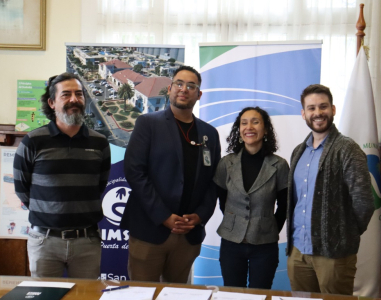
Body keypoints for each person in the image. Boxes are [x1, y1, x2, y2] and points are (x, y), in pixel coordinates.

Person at [120, 65, 221, 283]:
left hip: (188, 234)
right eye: (179, 83)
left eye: (191, 86)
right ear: (170, 89)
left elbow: (214, 180)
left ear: (199, 94)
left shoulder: (209, 134)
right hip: (150, 230)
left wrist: (201, 216)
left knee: (178, 294)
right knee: (142, 295)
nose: (184, 89)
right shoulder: (148, 123)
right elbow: (134, 171)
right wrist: (163, 217)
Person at [13, 72, 111, 278]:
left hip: (87, 241)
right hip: (45, 241)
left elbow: (99, 186)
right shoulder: (32, 141)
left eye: (79, 94)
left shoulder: (99, 142)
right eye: (66, 95)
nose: (74, 99)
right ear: (51, 102)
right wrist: (51, 212)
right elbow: (22, 189)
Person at [286, 84, 375, 295]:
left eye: (323, 107)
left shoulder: (347, 149)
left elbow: (364, 202)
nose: (318, 113)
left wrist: (343, 235)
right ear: (303, 113)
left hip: (334, 255)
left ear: (333, 109)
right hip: (298, 252)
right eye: (311, 108)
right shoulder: (298, 151)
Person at [213, 107, 288, 289]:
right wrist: (235, 221)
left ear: (266, 129)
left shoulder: (279, 165)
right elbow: (222, 200)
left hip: (264, 244)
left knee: (260, 294)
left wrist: (267, 226)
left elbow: (285, 205)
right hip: (231, 242)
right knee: (232, 293)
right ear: (239, 129)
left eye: (255, 122)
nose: (249, 127)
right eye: (244, 123)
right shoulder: (226, 163)